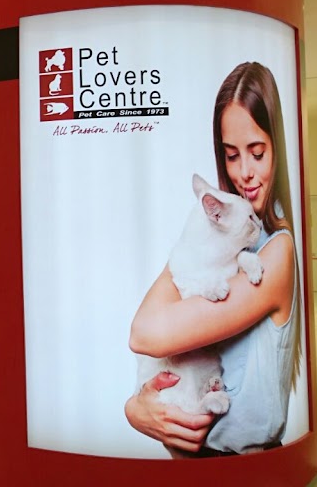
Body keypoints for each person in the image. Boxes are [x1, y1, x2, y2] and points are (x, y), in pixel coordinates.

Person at [125, 62, 301, 456]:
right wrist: (136, 408)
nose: (245, 173)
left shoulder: (276, 254)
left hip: (245, 469)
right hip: (200, 463)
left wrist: (134, 411)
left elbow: (145, 334)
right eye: (232, 155)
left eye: (258, 153)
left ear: (279, 147)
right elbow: (146, 335)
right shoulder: (231, 236)